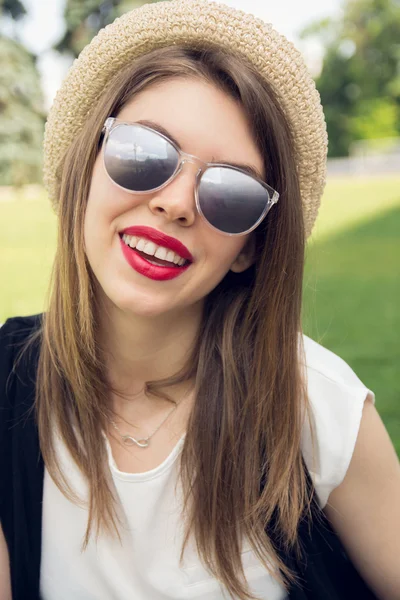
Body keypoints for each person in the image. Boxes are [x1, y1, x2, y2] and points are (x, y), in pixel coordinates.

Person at [1, 1, 399, 599]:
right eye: (143, 153)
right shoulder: (6, 381)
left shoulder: (320, 406)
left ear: (249, 248)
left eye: (232, 193)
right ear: (87, 167)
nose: (176, 203)